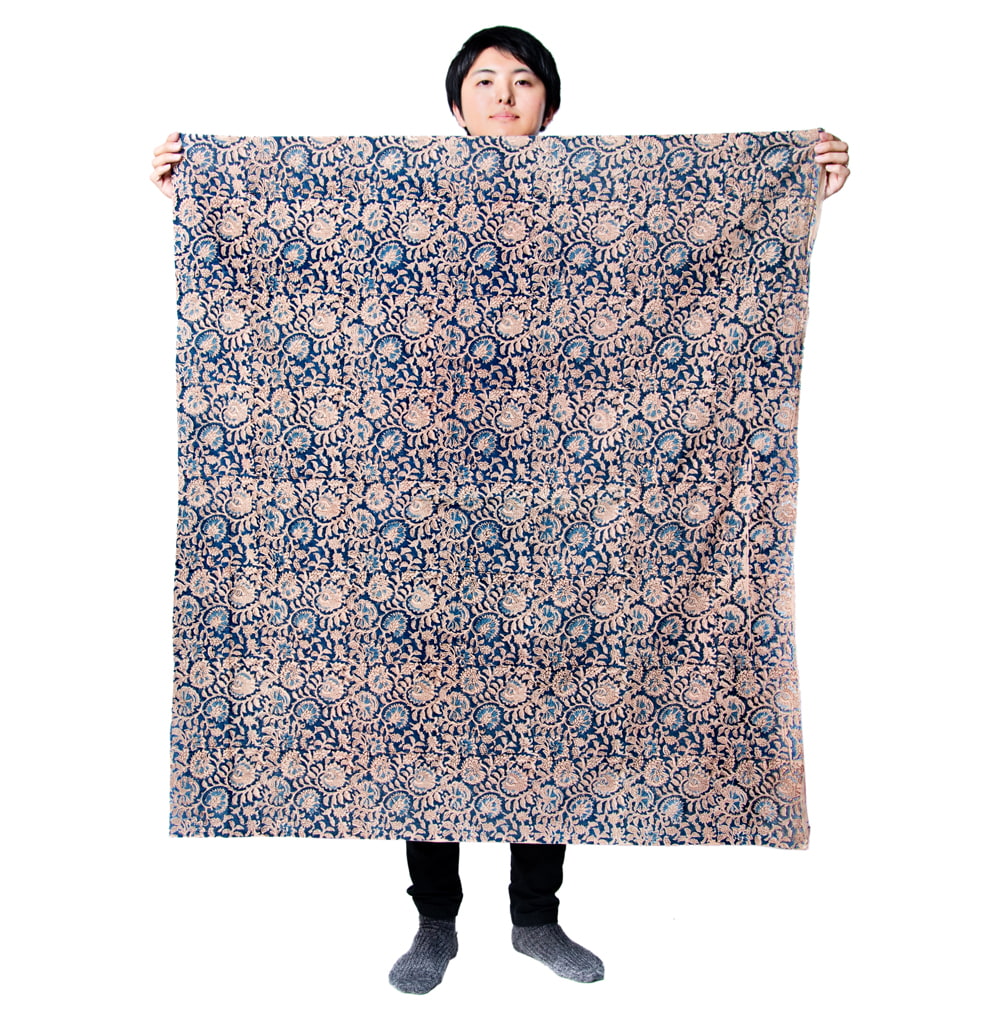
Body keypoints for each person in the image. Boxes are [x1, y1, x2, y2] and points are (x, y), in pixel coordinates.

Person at [152, 24, 850, 996]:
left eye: (523, 81)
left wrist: (796, 179)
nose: (504, 96)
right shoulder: (397, 196)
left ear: (549, 104)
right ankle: (434, 922)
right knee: (424, 707)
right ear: (456, 103)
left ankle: (535, 919)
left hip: (562, 502)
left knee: (551, 703)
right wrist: (204, 190)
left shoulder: (605, 200)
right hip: (416, 498)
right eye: (484, 81)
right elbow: (302, 256)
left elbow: (696, 239)